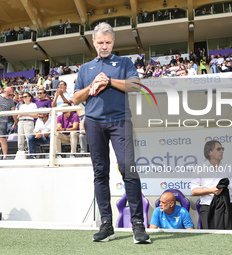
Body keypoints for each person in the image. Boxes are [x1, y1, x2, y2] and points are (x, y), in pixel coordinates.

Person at [73, 22, 150, 244]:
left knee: (128, 169)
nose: (104, 46)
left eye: (107, 42)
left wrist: (108, 81)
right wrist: (91, 87)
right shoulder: (85, 68)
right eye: (100, 43)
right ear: (94, 43)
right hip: (94, 122)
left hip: (120, 121)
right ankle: (106, 224)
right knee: (100, 173)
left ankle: (138, 225)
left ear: (113, 42)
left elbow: (135, 86)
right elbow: (76, 98)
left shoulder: (124, 62)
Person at [191, 140, 232, 229]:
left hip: (227, 206)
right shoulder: (199, 168)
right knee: (210, 237)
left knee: (231, 236)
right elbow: (194, 191)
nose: (222, 151)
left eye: (222, 149)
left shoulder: (228, 167)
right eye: (219, 149)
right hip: (208, 207)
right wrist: (211, 190)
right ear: (209, 152)